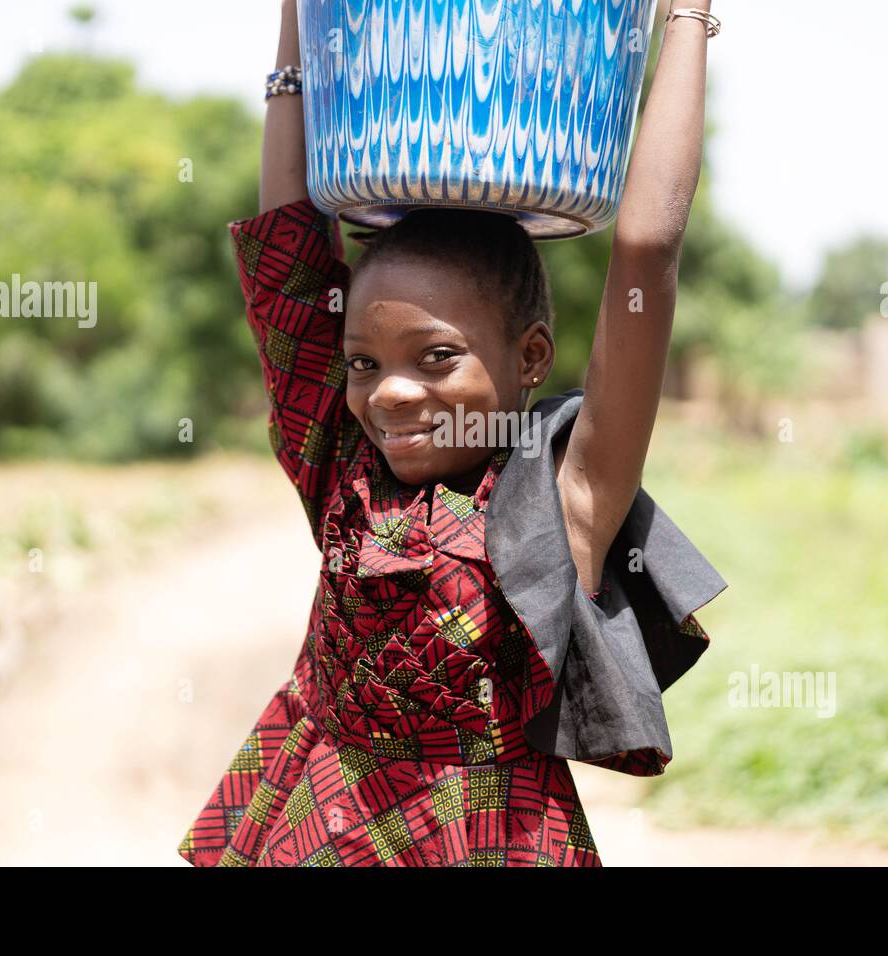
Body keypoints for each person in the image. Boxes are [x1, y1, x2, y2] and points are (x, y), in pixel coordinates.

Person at [177, 0, 724, 867]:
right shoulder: (340, 467)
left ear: (531, 355)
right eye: (362, 362)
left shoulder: (562, 499)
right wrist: (299, 25)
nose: (390, 393)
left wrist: (688, 18)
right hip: (317, 830)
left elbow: (646, 249)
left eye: (436, 357)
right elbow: (285, 241)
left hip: (484, 843)